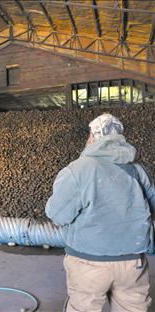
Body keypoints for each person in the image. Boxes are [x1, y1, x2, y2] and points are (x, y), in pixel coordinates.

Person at [45, 113, 155, 312]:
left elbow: (57, 215)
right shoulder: (139, 170)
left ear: (92, 137)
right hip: (132, 263)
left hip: (88, 262)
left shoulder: (77, 171)